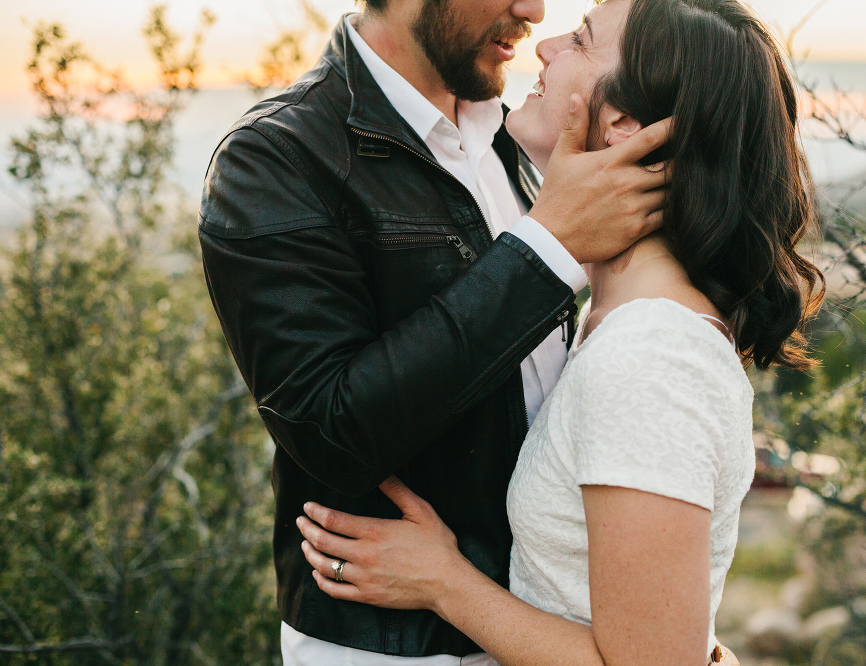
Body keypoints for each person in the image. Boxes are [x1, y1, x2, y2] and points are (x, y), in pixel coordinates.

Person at [295, 0, 825, 664]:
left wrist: (444, 583)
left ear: (626, 125)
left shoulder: (648, 357)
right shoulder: (618, 325)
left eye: (581, 39)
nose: (545, 45)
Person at [199, 0, 672, 662]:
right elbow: (327, 428)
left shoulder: (515, 133)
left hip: (543, 624)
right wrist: (545, 249)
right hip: (400, 643)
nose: (532, 10)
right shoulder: (276, 159)